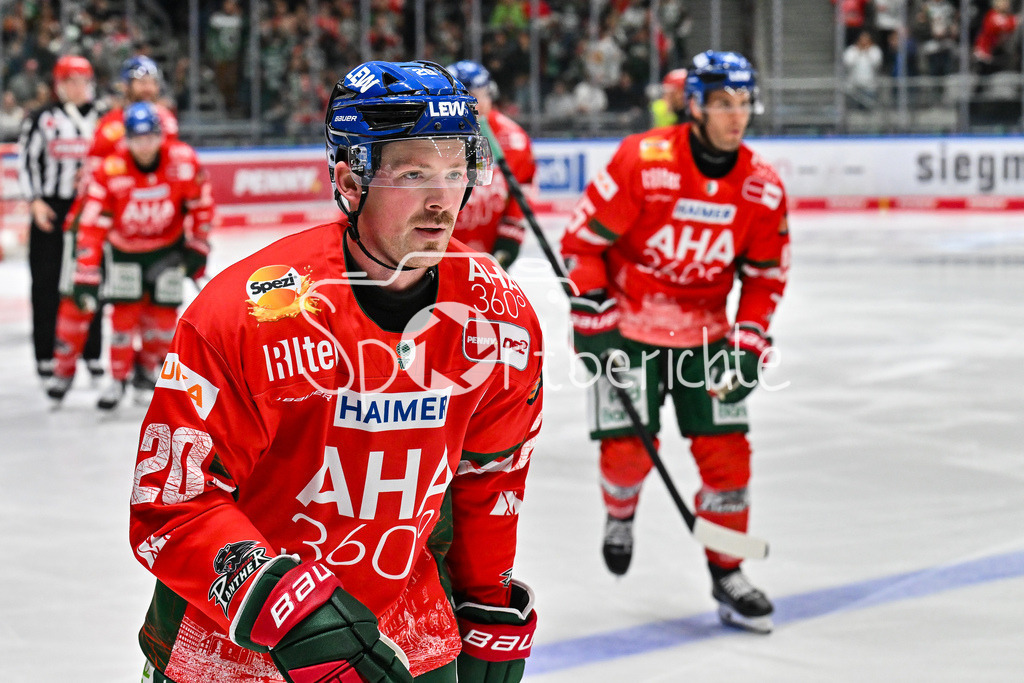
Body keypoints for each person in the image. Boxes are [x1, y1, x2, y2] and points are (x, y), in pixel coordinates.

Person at [128, 60, 544, 683]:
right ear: (352, 180)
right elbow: (172, 503)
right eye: (413, 173)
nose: (442, 202)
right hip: (236, 643)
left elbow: (490, 473)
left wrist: (485, 598)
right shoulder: (250, 311)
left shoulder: (499, 315)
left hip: (409, 631)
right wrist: (282, 606)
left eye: (457, 172)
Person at [560, 50, 790, 634]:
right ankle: (620, 511)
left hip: (707, 335)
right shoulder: (646, 160)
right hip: (629, 330)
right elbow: (581, 245)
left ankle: (727, 569)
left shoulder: (761, 187)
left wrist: (750, 342)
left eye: (743, 104)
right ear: (694, 105)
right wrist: (591, 312)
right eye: (722, 103)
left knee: (728, 459)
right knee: (628, 452)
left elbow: (765, 275)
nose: (736, 116)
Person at [48, 102, 212, 409]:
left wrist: (199, 246)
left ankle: (147, 371)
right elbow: (92, 225)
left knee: (163, 322)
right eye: (137, 139)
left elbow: (202, 204)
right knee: (123, 318)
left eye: (150, 137)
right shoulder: (110, 170)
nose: (145, 146)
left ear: (161, 136)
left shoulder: (184, 161)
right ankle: (118, 377)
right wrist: (87, 271)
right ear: (127, 139)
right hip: (125, 252)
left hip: (168, 250)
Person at [16, 54, 104, 384]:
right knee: (46, 282)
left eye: (83, 80)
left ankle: (92, 352)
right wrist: (35, 201)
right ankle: (45, 354)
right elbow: (25, 162)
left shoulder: (104, 118)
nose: (79, 88)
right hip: (51, 208)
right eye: (71, 81)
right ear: (59, 85)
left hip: (90, 209)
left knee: (91, 279)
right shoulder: (42, 118)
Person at [445, 60, 536, 269]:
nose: (478, 104)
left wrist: (510, 237)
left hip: (489, 245)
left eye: (481, 95)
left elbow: (523, 188)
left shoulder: (511, 138)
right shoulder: (432, 137)